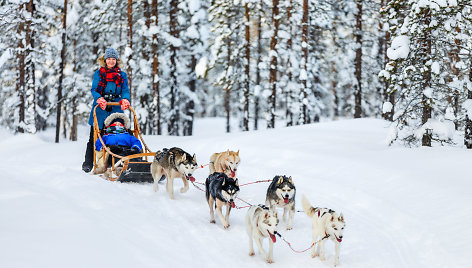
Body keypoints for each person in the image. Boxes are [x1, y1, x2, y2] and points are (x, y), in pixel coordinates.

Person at [82, 47, 131, 173]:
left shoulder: (122, 75)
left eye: (113, 59)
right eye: (108, 59)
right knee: (94, 136)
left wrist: (125, 99)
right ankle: (88, 163)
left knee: (118, 134)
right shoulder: (99, 73)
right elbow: (94, 90)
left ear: (116, 60)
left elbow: (125, 90)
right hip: (100, 109)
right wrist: (99, 99)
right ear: (105, 60)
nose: (111, 61)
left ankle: (118, 160)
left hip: (116, 107)